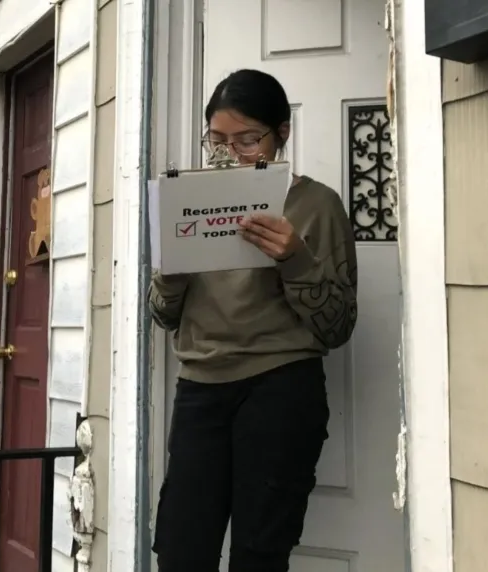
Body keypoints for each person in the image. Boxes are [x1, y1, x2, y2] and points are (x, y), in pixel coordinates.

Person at [149, 69, 358, 572]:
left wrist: (296, 259)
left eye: (247, 139)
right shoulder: (189, 199)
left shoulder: (316, 204)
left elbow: (338, 326)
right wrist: (172, 270)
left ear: (281, 134)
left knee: (259, 556)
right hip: (201, 387)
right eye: (216, 140)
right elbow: (162, 315)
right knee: (180, 551)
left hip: (281, 388)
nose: (229, 152)